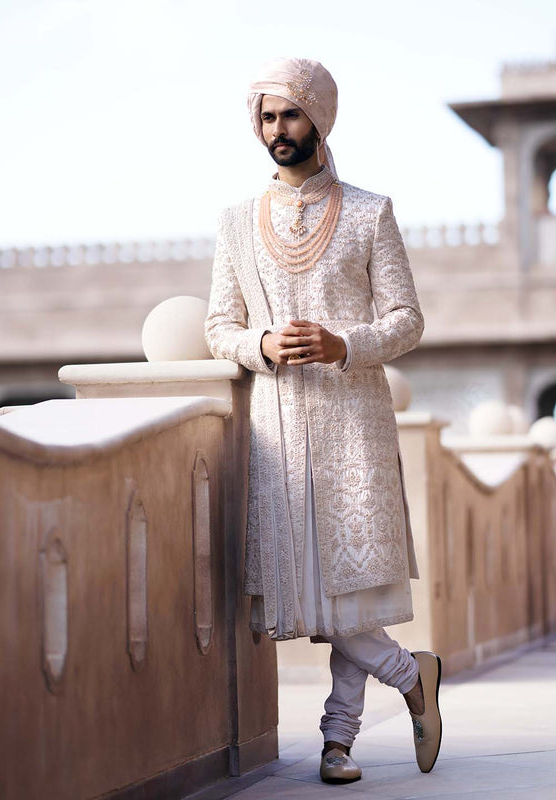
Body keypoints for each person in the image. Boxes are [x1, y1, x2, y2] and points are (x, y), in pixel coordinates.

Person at [204, 56, 442, 783]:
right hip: (276, 433)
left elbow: (407, 320)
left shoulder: (371, 212)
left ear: (320, 119)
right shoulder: (238, 224)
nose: (279, 129)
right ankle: (413, 678)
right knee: (314, 597)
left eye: (292, 115)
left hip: (353, 430)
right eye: (268, 117)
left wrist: (346, 344)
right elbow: (219, 326)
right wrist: (262, 345)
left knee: (345, 593)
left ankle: (337, 743)